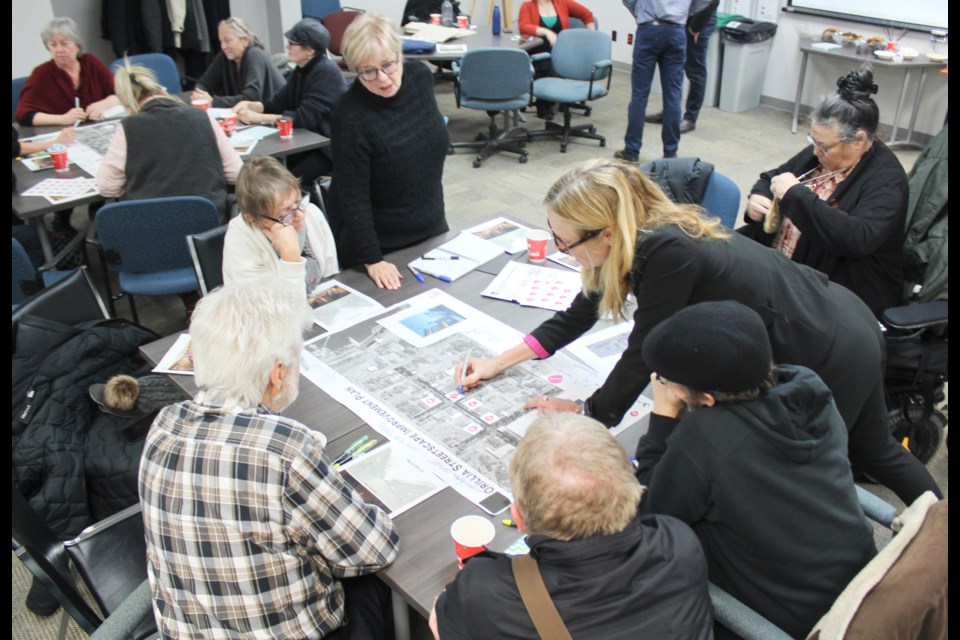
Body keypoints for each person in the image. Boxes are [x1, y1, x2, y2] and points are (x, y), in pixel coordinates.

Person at [458, 158, 941, 507]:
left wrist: (588, 416)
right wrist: (497, 363)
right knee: (869, 447)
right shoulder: (633, 233)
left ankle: (935, 529)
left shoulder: (665, 252)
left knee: (864, 451)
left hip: (829, 339)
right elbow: (577, 314)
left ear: (605, 232)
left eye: (565, 241)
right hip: (827, 313)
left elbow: (644, 350)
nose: (561, 248)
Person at [139, 281, 400, 638]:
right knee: (375, 585)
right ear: (278, 374)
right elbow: (373, 550)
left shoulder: (165, 422)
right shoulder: (284, 450)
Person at [634, 300, 877, 638]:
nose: (662, 385)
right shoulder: (808, 385)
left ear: (706, 398)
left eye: (667, 380)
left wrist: (661, 419)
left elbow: (651, 515)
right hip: (862, 582)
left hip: (790, 619)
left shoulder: (707, 436)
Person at [429, 413, 714, 639]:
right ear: (632, 491)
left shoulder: (485, 592)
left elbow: (439, 621)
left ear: (519, 518)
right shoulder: (677, 541)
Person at [739, 67, 907, 317]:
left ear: (859, 140)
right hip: (781, 270)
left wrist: (795, 196)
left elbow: (857, 238)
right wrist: (759, 196)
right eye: (813, 141)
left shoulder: (887, 180)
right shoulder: (823, 153)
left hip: (831, 296)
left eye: (824, 146)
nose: (816, 152)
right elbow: (774, 176)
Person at [327, 12, 450, 290]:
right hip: (381, 246)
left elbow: (427, 147)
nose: (382, 78)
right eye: (368, 71)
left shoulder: (420, 77)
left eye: (388, 65)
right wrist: (373, 259)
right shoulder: (350, 116)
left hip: (431, 225)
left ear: (399, 54)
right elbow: (352, 196)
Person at [96, 62, 242, 219]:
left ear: (127, 103)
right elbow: (236, 173)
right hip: (206, 225)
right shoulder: (202, 117)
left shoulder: (128, 128)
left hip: (150, 229)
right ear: (160, 89)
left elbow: (107, 187)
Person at [234, 18, 346, 189]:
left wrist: (260, 118)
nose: (288, 47)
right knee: (271, 173)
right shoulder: (302, 69)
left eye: (292, 43)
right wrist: (253, 105)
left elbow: (303, 118)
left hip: (329, 149)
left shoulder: (326, 72)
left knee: (284, 183)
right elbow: (279, 102)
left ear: (309, 50)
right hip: (310, 144)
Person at [223, 155, 339, 295]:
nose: (299, 216)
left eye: (297, 202)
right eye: (284, 214)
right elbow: (272, 310)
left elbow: (331, 277)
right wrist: (290, 257)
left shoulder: (310, 213)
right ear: (254, 219)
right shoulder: (240, 240)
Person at [614, 0, 713, 162]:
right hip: (676, 31)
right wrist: (684, 11)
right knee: (673, 96)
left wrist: (640, 13)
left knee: (639, 95)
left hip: (648, 29)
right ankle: (670, 153)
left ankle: (631, 152)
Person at [15, 17, 121, 126]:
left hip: (99, 129)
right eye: (53, 45)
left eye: (64, 43)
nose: (59, 50)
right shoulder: (41, 74)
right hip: (62, 136)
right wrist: (63, 119)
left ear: (77, 45)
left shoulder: (91, 63)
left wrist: (106, 103)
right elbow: (24, 115)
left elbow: (121, 94)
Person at [643, 0, 719, 134]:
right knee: (673, 69)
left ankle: (690, 118)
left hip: (699, 23)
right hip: (680, 21)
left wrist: (695, 27)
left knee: (695, 72)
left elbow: (712, 2)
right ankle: (669, 113)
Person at [517, 0, 596, 120]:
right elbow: (524, 27)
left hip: (561, 51)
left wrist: (593, 37)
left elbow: (587, 15)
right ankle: (544, 100)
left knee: (551, 61)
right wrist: (546, 32)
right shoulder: (527, 6)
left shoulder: (563, 3)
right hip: (540, 52)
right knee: (543, 56)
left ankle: (551, 100)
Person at [190, 17, 287, 109]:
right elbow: (205, 82)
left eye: (228, 40)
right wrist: (199, 95)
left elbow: (251, 98)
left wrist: (213, 102)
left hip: (276, 116)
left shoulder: (255, 55)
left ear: (245, 40)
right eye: (221, 41)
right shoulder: (225, 56)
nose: (223, 46)